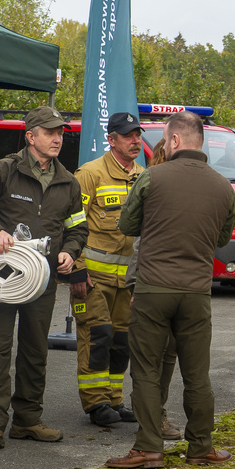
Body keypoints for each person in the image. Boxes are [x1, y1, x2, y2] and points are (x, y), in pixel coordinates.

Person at [106, 111, 235, 469]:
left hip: (152, 288)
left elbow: (127, 224)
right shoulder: (224, 187)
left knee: (146, 369)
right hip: (196, 292)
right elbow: (223, 238)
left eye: (165, 138)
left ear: (175, 141)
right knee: (197, 373)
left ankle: (148, 446)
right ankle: (201, 446)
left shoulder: (151, 177)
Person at [0, 106, 88, 449]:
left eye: (61, 133)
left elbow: (78, 228)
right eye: (50, 132)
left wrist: (69, 252)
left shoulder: (68, 181)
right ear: (31, 137)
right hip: (0, 277)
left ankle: (28, 420)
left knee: (34, 351)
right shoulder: (4, 170)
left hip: (40, 280)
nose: (58, 138)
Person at [69, 112, 144, 427]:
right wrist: (75, 269)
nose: (135, 141)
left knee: (122, 341)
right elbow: (71, 223)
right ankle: (95, 403)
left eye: (137, 135)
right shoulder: (89, 174)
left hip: (127, 282)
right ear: (111, 140)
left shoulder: (144, 176)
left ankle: (114, 399)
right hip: (93, 278)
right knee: (97, 335)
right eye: (128, 136)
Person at [123, 138, 183, 441]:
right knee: (153, 355)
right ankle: (152, 415)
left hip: (168, 285)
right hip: (154, 284)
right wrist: (134, 285)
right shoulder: (155, 192)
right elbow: (139, 245)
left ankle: (154, 413)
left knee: (164, 353)